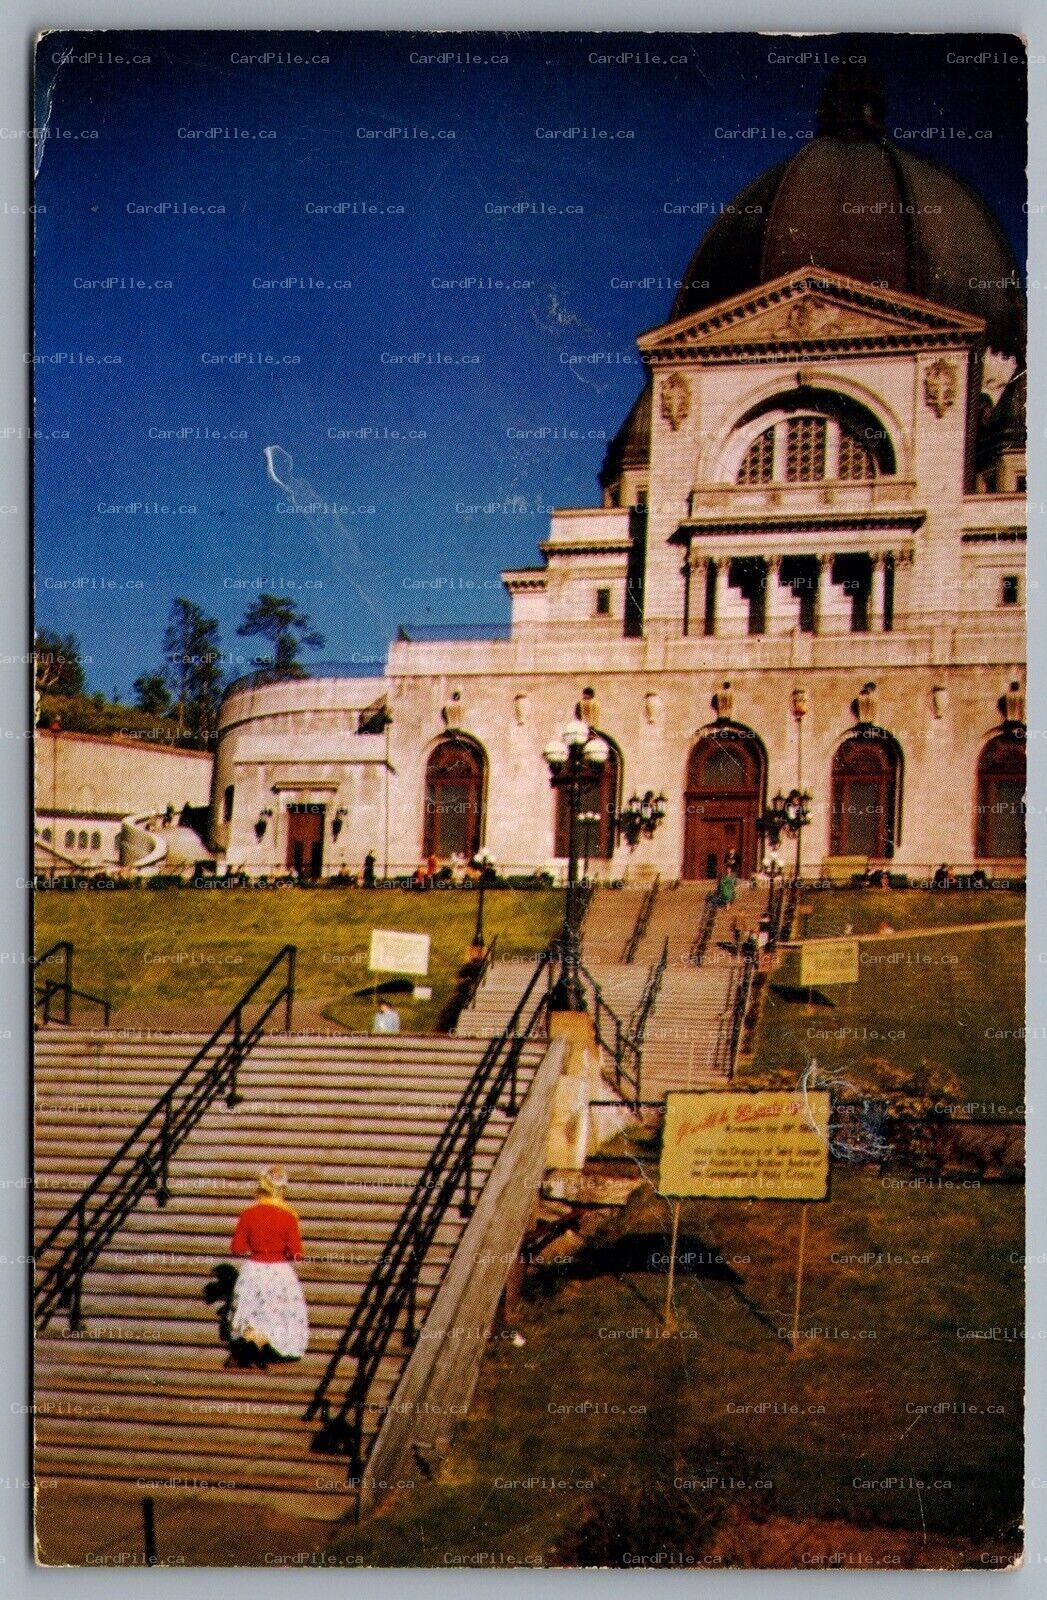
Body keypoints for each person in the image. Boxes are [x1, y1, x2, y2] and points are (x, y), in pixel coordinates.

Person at [227, 1167, 308, 1369]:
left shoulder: (248, 1214)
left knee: (252, 1309)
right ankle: (272, 1346)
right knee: (279, 1310)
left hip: (254, 1269)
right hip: (279, 1270)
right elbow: (298, 1253)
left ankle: (252, 1343)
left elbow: (237, 1249)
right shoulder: (289, 1216)